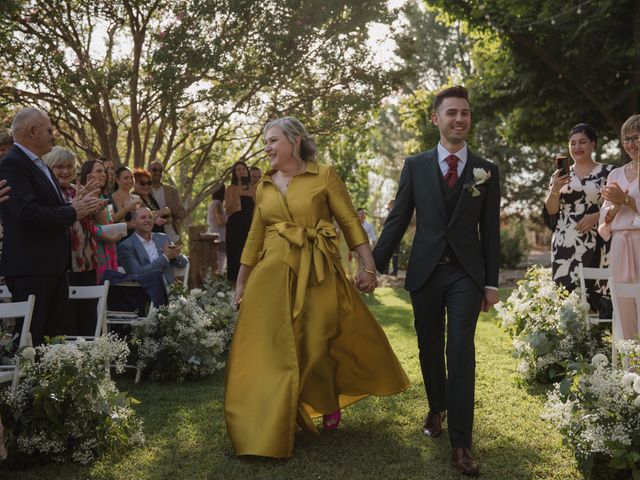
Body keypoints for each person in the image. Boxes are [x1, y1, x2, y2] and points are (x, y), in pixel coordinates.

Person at [224, 116, 409, 458]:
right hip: (271, 274)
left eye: (273, 140)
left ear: (294, 141)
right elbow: (254, 236)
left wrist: (368, 265)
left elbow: (349, 221)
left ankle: (324, 400)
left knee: (316, 340)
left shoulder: (323, 175)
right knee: (273, 346)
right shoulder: (263, 185)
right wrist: (241, 281)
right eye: (266, 141)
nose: (267, 147)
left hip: (319, 269)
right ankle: (273, 417)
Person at [373, 86, 500, 476]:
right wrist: (371, 266)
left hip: (466, 274)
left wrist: (490, 283)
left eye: (465, 113)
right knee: (429, 348)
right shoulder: (415, 165)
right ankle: (436, 407)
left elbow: (490, 231)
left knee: (460, 349)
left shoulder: (486, 170)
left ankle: (461, 443)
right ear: (436, 118)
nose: (459, 119)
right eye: (451, 113)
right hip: (425, 272)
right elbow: (397, 221)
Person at [0, 107, 102, 345]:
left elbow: (53, 209)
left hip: (54, 266)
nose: (52, 135)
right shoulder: (13, 164)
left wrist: (75, 205)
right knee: (32, 338)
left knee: (53, 336)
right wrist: (72, 211)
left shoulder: (41, 165)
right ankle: (28, 382)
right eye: (48, 130)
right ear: (33, 131)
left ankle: (51, 381)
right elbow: (26, 213)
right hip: (31, 267)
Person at [544, 123, 613, 309]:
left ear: (593, 144)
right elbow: (551, 210)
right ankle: (570, 336)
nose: (577, 147)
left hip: (598, 240)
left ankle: (596, 337)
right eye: (572, 143)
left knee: (598, 294)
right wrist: (555, 189)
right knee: (566, 296)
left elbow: (617, 206)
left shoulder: (609, 172)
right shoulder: (559, 175)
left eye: (582, 142)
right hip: (565, 240)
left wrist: (597, 216)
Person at [44, 146, 102, 335]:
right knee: (66, 320)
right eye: (59, 166)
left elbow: (99, 223)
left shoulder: (77, 190)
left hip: (86, 262)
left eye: (69, 166)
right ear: (48, 168)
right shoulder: (47, 192)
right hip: (61, 265)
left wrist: (97, 204)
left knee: (87, 318)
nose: (65, 171)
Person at [598, 114, 640, 339]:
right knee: (623, 308)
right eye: (627, 139)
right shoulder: (615, 174)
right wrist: (615, 206)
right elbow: (605, 219)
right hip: (619, 246)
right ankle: (629, 370)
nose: (631, 144)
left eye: (636, 138)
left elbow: (630, 204)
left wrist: (627, 200)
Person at [117, 207, 188, 285]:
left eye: (150, 217)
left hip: (170, 290)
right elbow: (138, 274)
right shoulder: (125, 247)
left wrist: (176, 255)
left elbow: (183, 263)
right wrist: (165, 257)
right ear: (134, 222)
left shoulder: (163, 238)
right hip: (146, 293)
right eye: (143, 217)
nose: (148, 220)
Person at [80, 159, 124, 282]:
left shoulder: (101, 196)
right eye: (99, 171)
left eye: (104, 171)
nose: (104, 174)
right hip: (95, 250)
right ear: (88, 175)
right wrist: (109, 237)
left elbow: (106, 223)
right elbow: (88, 225)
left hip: (109, 247)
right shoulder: (83, 196)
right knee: (100, 289)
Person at [224, 160, 255, 286]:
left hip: (249, 225)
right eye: (238, 170)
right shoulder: (230, 188)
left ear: (247, 171)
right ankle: (234, 292)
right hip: (234, 226)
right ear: (235, 174)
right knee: (235, 257)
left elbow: (257, 209)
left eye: (243, 169)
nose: (241, 171)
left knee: (248, 256)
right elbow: (228, 209)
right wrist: (237, 193)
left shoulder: (254, 189)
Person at [149, 161, 185, 244]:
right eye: (154, 170)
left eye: (160, 171)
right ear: (149, 171)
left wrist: (172, 213)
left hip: (171, 235)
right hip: (150, 235)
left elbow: (182, 213)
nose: (158, 173)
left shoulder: (172, 191)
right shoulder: (144, 190)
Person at [133, 168, 170, 233]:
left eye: (149, 183)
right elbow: (144, 215)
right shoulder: (134, 197)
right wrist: (163, 211)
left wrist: (165, 214)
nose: (146, 186)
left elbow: (168, 218)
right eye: (142, 183)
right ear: (134, 183)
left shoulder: (150, 197)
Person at [111, 166, 141, 239]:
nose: (130, 181)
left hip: (137, 237)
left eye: (132, 177)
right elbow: (111, 220)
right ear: (117, 180)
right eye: (126, 178)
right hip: (120, 239)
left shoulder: (136, 197)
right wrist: (127, 209)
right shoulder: (111, 198)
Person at [207, 185, 227, 273]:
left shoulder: (214, 203)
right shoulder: (217, 203)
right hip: (218, 237)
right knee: (219, 263)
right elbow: (220, 222)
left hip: (216, 235)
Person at [382, 199, 400, 276]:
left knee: (395, 254)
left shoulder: (396, 214)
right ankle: (386, 270)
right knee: (387, 253)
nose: (388, 210)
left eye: (389, 208)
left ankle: (394, 271)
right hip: (389, 236)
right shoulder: (390, 214)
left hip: (395, 236)